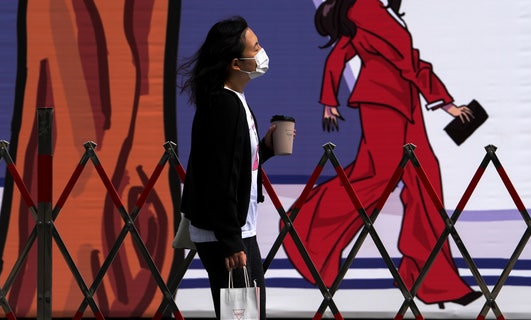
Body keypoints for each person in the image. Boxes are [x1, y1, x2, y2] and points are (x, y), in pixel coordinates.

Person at [282, 0, 482, 308]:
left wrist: (330, 100)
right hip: (383, 105)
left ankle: (432, 279)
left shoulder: (373, 9)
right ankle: (304, 229)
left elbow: (342, 53)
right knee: (376, 178)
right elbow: (407, 62)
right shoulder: (365, 9)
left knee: (426, 181)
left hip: (407, 104)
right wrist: (445, 103)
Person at [178, 16, 276, 319]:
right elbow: (218, 177)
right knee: (244, 316)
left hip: (234, 231)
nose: (261, 53)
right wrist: (232, 240)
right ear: (236, 63)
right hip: (229, 236)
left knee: (243, 315)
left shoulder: (231, 100)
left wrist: (267, 148)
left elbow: (235, 163)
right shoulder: (224, 106)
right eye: (255, 47)